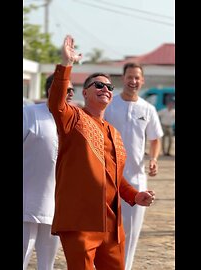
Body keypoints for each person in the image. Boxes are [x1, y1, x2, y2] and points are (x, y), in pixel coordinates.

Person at [48, 35, 156, 270]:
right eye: (98, 85)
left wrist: (134, 195)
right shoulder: (73, 119)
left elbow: (115, 178)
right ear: (84, 93)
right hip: (80, 221)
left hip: (112, 224)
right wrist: (66, 64)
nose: (105, 89)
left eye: (109, 87)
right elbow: (56, 103)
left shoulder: (114, 134)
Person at [104, 62, 164, 270]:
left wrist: (153, 159)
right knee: (105, 231)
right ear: (123, 78)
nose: (133, 81)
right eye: (130, 77)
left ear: (143, 80)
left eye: (137, 77)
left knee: (130, 233)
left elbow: (155, 138)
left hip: (136, 179)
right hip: (108, 177)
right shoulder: (110, 105)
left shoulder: (147, 109)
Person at [23, 74, 76, 270]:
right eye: (67, 89)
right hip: (27, 203)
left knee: (47, 264)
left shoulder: (74, 120)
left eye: (72, 90)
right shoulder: (29, 114)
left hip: (57, 206)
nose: (71, 93)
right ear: (52, 89)